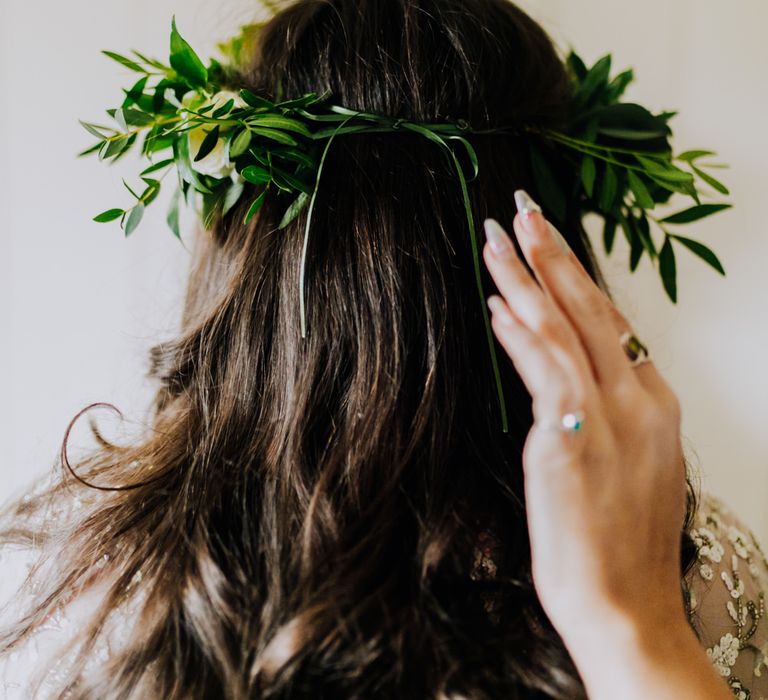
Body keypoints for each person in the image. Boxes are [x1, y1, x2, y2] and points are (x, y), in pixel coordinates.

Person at [0, 0, 765, 697]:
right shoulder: (690, 566)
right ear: (554, 232)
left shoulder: (99, 588)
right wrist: (647, 630)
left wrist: (630, 627)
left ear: (243, 244)